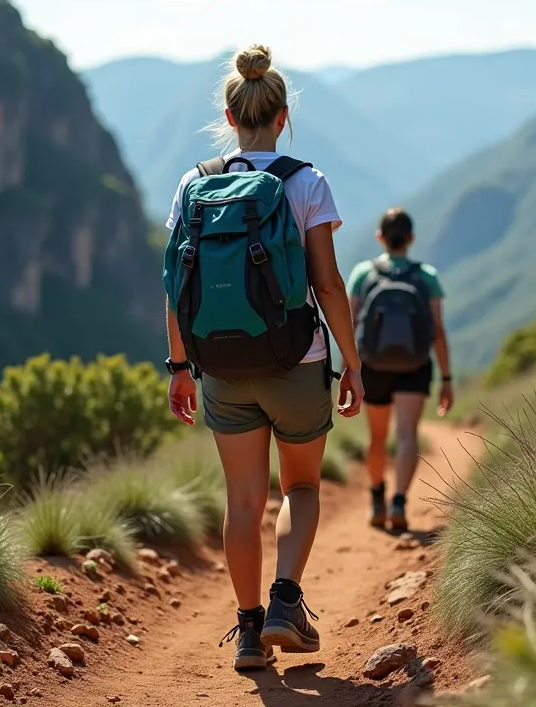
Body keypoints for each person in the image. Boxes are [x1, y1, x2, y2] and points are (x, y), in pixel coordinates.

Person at [161, 44, 365, 673]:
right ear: (282, 117)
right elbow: (328, 284)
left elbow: (175, 283)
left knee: (242, 500)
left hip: (222, 366)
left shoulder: (196, 183)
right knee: (300, 485)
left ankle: (249, 634)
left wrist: (178, 368)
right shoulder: (307, 182)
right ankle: (286, 601)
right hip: (297, 360)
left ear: (230, 113)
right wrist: (353, 365)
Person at [347, 208, 453, 533]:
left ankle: (377, 497)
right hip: (415, 365)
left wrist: (349, 369)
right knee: (407, 434)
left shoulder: (363, 273)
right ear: (411, 238)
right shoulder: (427, 276)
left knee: (377, 437)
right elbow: (436, 329)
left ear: (380, 237)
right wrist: (447, 379)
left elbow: (351, 325)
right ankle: (399, 502)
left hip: (373, 365)